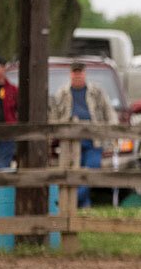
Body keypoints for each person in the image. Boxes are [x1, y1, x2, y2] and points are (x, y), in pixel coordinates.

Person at [49, 61, 118, 208]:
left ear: (84, 74)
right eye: (75, 72)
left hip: (94, 139)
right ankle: (83, 204)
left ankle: (65, 203)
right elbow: (53, 116)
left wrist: (112, 132)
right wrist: (55, 134)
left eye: (80, 72)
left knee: (91, 170)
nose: (77, 75)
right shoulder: (62, 93)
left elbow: (110, 113)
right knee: (73, 171)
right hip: (70, 140)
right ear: (71, 74)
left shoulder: (97, 92)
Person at [0, 55, 18, 209]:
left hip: (6, 136)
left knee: (3, 167)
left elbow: (20, 111)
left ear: (3, 69)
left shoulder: (12, 89)